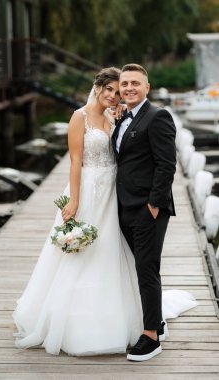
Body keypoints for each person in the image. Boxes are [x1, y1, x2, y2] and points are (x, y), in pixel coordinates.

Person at [13, 67, 197, 357]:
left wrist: (153, 203)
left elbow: (157, 161)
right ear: (97, 88)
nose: (115, 94)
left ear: (146, 87)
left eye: (119, 88)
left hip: (116, 197)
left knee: (117, 255)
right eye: (111, 89)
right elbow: (75, 162)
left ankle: (142, 325)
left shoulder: (121, 116)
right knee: (84, 257)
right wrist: (74, 201)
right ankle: (77, 319)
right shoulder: (79, 117)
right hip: (88, 191)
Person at [112, 63, 177, 361]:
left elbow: (166, 165)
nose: (128, 88)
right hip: (125, 206)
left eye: (135, 83)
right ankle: (157, 322)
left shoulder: (157, 116)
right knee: (140, 267)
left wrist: (153, 205)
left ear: (147, 87)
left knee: (146, 270)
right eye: (124, 84)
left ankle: (151, 336)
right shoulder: (125, 117)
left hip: (147, 209)